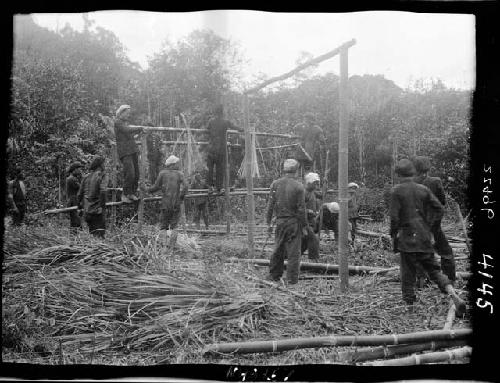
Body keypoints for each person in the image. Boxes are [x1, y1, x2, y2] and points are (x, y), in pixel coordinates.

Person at [389, 158, 466, 315]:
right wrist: (430, 228)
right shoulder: (422, 189)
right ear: (412, 172)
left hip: (407, 237)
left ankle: (409, 309)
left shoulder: (396, 191)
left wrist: (394, 235)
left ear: (398, 174)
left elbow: (394, 218)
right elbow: (439, 208)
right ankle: (453, 293)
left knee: (408, 274)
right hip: (424, 237)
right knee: (435, 270)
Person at [412, 156, 456, 283]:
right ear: (428, 167)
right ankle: (449, 279)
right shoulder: (435, 181)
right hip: (432, 223)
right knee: (446, 252)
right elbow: (442, 201)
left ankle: (421, 280)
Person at [266, 159, 307, 286]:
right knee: (294, 252)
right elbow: (301, 209)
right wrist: (304, 225)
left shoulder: (275, 184)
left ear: (284, 170)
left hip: (280, 222)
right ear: (296, 170)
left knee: (278, 248)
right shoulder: (299, 186)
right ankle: (292, 280)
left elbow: (270, 205)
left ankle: (274, 275)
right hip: (293, 223)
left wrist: (268, 222)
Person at [142, 155, 188, 251]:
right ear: (172, 164)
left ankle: (164, 248)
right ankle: (170, 249)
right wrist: (181, 197)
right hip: (176, 203)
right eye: (176, 164)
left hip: (166, 203)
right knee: (174, 227)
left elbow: (155, 187)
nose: (177, 165)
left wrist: (146, 189)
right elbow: (186, 186)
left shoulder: (162, 173)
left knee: (164, 226)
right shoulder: (180, 174)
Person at [205, 104, 242, 194]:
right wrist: (243, 129)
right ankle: (219, 188)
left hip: (211, 149)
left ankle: (210, 187)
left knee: (209, 169)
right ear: (222, 112)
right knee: (220, 170)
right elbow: (235, 127)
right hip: (221, 150)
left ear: (215, 112)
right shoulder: (225, 122)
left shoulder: (211, 121)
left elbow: (207, 129)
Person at [114, 105, 143, 203]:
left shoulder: (125, 123)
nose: (128, 116)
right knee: (130, 173)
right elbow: (126, 130)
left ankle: (132, 193)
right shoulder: (118, 122)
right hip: (125, 152)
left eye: (128, 114)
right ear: (121, 113)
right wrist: (140, 127)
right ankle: (125, 194)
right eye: (126, 113)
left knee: (136, 174)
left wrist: (139, 132)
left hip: (133, 150)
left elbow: (131, 135)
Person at [77, 156, 108, 238]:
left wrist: (79, 207)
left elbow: (79, 194)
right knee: (100, 236)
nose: (105, 166)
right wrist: (102, 207)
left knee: (93, 235)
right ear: (100, 165)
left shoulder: (86, 177)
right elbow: (103, 192)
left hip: (87, 211)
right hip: (97, 211)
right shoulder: (102, 175)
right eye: (104, 164)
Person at [302, 172, 320, 260]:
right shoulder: (303, 193)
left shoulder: (313, 192)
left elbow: (323, 195)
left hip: (311, 220)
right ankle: (313, 259)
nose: (316, 185)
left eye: (317, 183)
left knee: (305, 241)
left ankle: (288, 256)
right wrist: (308, 211)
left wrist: (325, 182)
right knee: (313, 239)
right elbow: (297, 208)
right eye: (315, 183)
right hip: (304, 221)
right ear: (309, 183)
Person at [66, 161, 83, 234]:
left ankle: (75, 238)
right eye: (78, 169)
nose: (80, 171)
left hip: (74, 201)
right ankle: (73, 239)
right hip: (73, 201)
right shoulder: (71, 179)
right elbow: (81, 188)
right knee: (75, 222)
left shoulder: (73, 178)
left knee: (76, 221)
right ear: (74, 170)